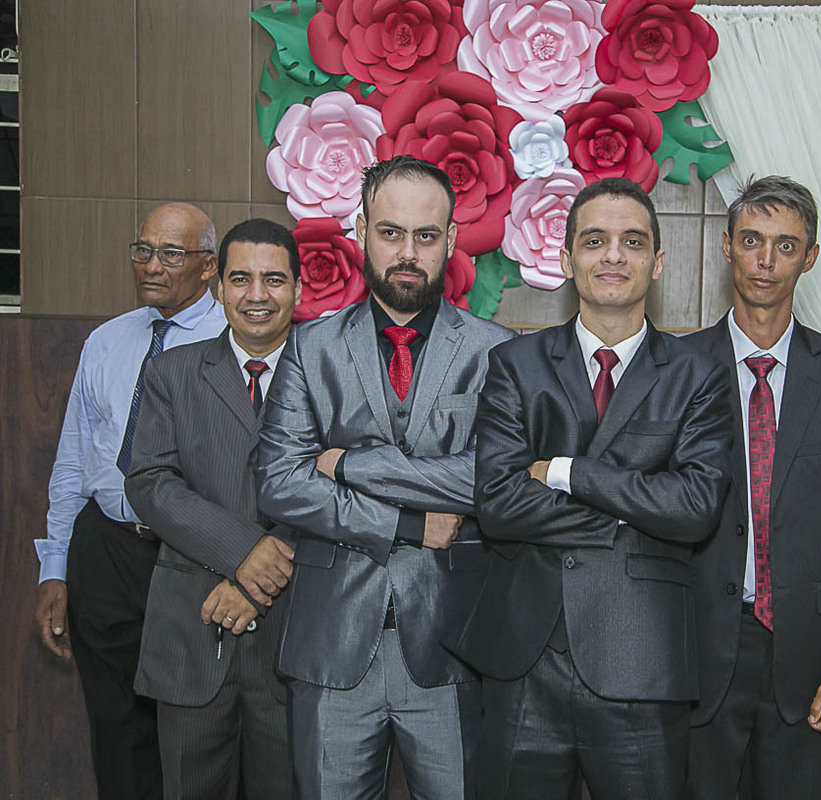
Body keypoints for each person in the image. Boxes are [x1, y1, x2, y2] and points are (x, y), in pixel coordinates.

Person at [451, 177, 732, 799]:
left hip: (642, 659)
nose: (613, 255)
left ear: (658, 262)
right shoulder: (515, 365)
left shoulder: (700, 376)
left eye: (633, 242)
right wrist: (639, 507)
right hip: (524, 659)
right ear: (565, 258)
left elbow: (693, 509)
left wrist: (565, 472)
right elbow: (498, 505)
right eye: (595, 240)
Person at [255, 155, 514, 800]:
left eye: (426, 236)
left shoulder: (498, 351)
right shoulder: (309, 347)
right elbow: (280, 481)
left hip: (452, 646)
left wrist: (352, 464)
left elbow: (492, 478)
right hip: (331, 644)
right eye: (391, 233)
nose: (408, 253)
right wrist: (405, 523)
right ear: (361, 233)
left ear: (451, 240)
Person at [686, 176, 821, 798]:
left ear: (811, 256)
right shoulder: (676, 368)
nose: (766, 261)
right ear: (727, 247)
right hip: (699, 650)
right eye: (751, 240)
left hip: (809, 653)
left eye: (785, 245)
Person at [32, 202, 227, 799]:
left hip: (191, 557)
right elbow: (73, 459)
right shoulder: (107, 340)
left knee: (196, 734)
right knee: (117, 733)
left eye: (171, 254)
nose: (151, 266)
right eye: (143, 250)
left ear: (208, 266)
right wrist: (55, 566)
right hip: (106, 550)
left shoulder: (233, 340)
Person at [123, 218, 303, 800]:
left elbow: (342, 491)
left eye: (274, 279)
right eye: (241, 279)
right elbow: (149, 482)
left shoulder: (331, 375)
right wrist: (244, 552)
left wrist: (258, 577)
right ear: (219, 286)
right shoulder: (171, 372)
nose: (257, 295)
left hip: (294, 644)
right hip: (193, 637)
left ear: (298, 289)